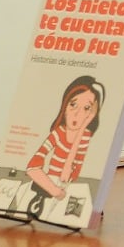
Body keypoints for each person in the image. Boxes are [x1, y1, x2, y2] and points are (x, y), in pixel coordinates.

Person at [23, 75, 103, 216]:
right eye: (73, 104)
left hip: (68, 185)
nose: (77, 114)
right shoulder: (58, 133)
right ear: (65, 105)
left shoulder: (85, 136)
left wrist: (83, 126)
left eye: (86, 108)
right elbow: (32, 167)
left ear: (92, 113)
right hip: (50, 183)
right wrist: (54, 190)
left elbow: (71, 172)